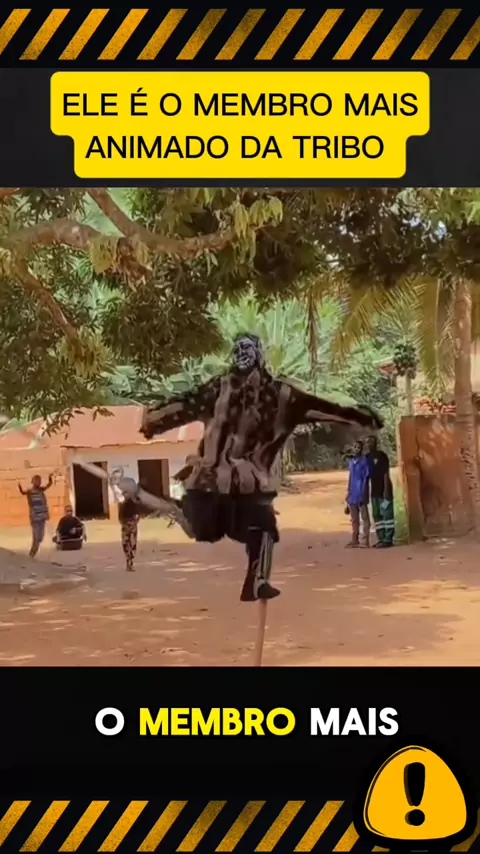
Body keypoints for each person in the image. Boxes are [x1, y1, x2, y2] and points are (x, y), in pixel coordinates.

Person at [140, 333, 383, 601]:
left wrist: (152, 421)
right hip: (228, 485)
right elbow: (325, 410)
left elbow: (184, 405)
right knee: (242, 528)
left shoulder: (236, 391)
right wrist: (362, 419)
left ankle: (255, 580)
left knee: (250, 528)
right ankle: (253, 577)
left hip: (228, 487)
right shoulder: (275, 395)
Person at [366, 435, 395, 548]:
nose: (370, 444)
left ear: (376, 443)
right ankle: (381, 538)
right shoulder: (367, 458)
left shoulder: (382, 456)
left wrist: (386, 491)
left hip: (384, 491)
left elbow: (386, 474)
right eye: (368, 442)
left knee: (387, 514)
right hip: (374, 492)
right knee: (377, 515)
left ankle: (388, 539)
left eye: (372, 442)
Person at [18, 473, 53, 558]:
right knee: (36, 538)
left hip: (42, 517)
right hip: (35, 518)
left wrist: (50, 478)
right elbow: (23, 493)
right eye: (36, 480)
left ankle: (32, 554)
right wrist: (19, 487)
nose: (38, 482)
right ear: (32, 482)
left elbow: (49, 485)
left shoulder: (41, 490)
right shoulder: (30, 491)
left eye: (39, 481)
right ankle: (31, 555)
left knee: (40, 538)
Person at [345, 440, 371, 548]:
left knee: (365, 518)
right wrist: (348, 493)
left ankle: (365, 541)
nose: (356, 449)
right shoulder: (351, 462)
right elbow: (350, 478)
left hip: (361, 492)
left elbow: (366, 477)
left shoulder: (364, 461)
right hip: (352, 494)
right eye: (355, 447)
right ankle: (355, 539)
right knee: (354, 519)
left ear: (362, 449)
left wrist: (364, 492)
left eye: (358, 447)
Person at [118, 490, 140, 572]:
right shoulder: (122, 505)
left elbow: (138, 515)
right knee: (126, 544)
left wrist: (134, 523)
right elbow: (120, 517)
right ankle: (128, 562)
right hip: (126, 526)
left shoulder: (133, 504)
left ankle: (130, 562)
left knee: (131, 544)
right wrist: (125, 524)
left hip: (130, 525)